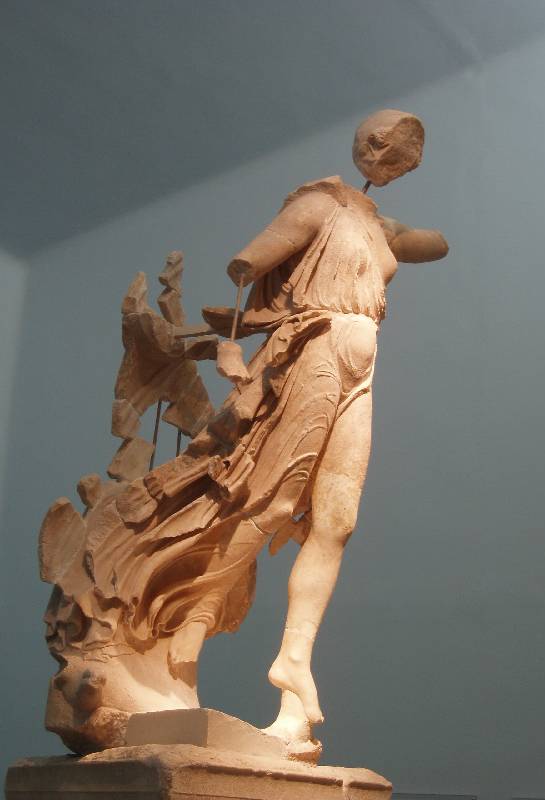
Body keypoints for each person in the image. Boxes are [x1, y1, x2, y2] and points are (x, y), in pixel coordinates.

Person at [96, 109, 448, 747]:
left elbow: (436, 243)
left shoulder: (374, 223)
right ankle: (189, 627)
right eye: (379, 146)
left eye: (397, 154)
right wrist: (253, 281)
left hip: (361, 366)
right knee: (269, 499)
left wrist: (387, 227)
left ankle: (293, 664)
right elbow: (250, 260)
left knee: (337, 521)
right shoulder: (321, 204)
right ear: (366, 145)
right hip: (314, 351)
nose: (384, 159)